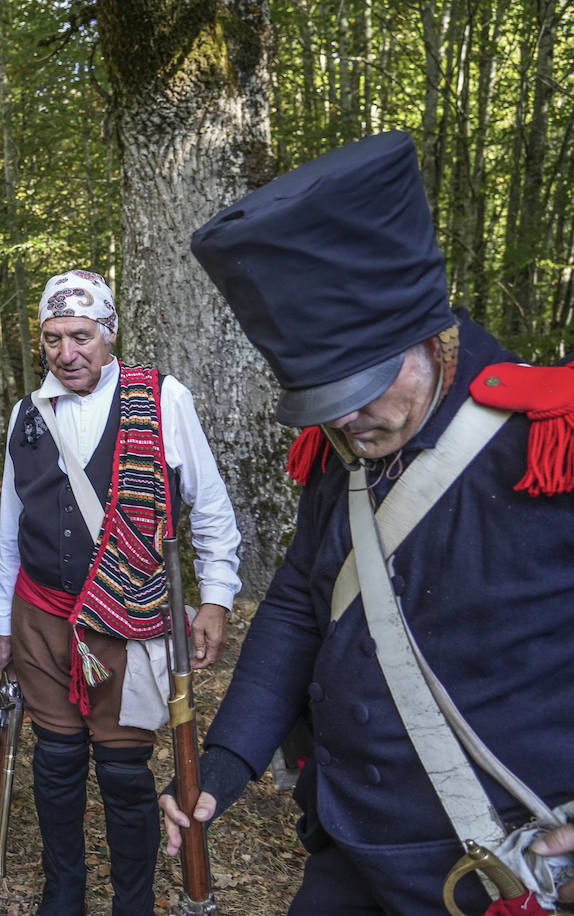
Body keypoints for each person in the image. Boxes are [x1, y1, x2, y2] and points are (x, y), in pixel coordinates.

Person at [159, 131, 574, 914]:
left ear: (430, 334)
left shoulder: (553, 437)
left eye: (363, 387)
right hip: (351, 845)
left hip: (502, 872)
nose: (345, 421)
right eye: (322, 401)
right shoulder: (346, 446)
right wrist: (222, 768)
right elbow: (298, 605)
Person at [0, 269, 241, 914]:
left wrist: (216, 596)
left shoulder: (162, 398)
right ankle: (62, 893)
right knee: (57, 763)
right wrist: (0, 619)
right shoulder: (26, 414)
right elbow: (11, 528)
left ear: (109, 334)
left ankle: (135, 901)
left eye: (80, 337)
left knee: (126, 775)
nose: (66, 354)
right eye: (52, 339)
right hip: (41, 615)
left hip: (126, 619)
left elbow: (208, 508)